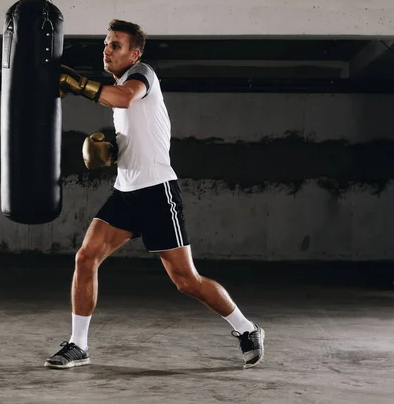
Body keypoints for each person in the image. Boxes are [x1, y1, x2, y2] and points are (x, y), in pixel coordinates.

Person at [45, 19, 265, 370]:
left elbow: (124, 97)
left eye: (115, 45)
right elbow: (132, 123)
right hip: (126, 192)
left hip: (157, 193)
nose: (106, 49)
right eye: (105, 43)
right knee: (85, 259)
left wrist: (76, 83)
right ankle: (78, 345)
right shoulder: (118, 85)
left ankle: (247, 328)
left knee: (186, 281)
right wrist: (114, 147)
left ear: (134, 52)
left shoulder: (142, 74)